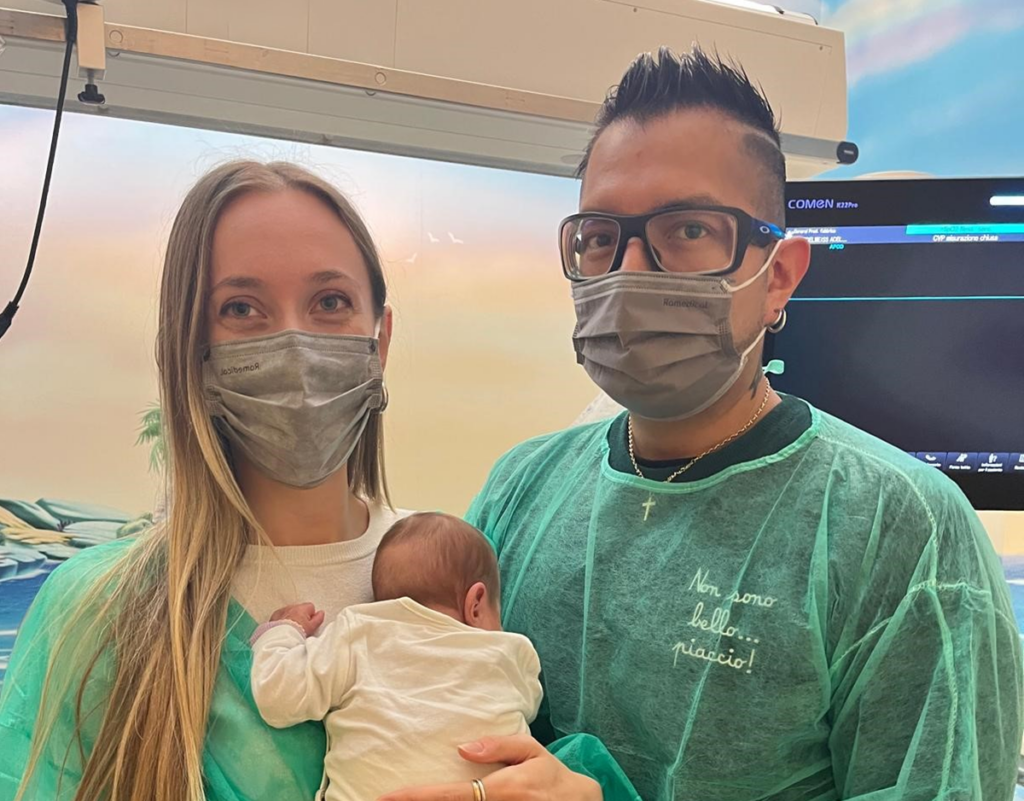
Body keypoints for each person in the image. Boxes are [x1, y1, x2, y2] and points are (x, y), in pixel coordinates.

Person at [449, 48, 1022, 801]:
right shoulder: (520, 490)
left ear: (778, 275)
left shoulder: (903, 532)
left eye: (687, 230)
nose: (629, 270)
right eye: (598, 237)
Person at [0, 162, 629, 801]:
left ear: (380, 341)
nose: (295, 345)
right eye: (242, 308)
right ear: (192, 350)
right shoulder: (98, 611)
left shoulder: (457, 574)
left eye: (330, 302)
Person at [249, 513, 544, 801]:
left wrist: (283, 631)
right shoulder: (510, 652)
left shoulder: (357, 635)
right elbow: (527, 709)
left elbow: (278, 695)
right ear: (476, 603)